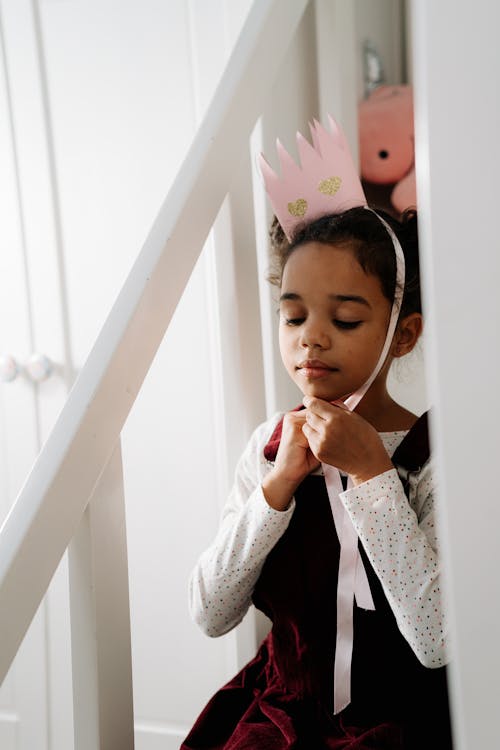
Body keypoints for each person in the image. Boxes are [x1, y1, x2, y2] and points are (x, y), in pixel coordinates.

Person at [181, 116, 452, 749]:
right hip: (276, 716)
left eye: (347, 318)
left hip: (399, 722)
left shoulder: (434, 459)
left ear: (402, 333)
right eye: (294, 315)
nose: (311, 337)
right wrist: (275, 488)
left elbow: (437, 639)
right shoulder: (269, 448)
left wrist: (372, 475)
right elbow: (210, 611)